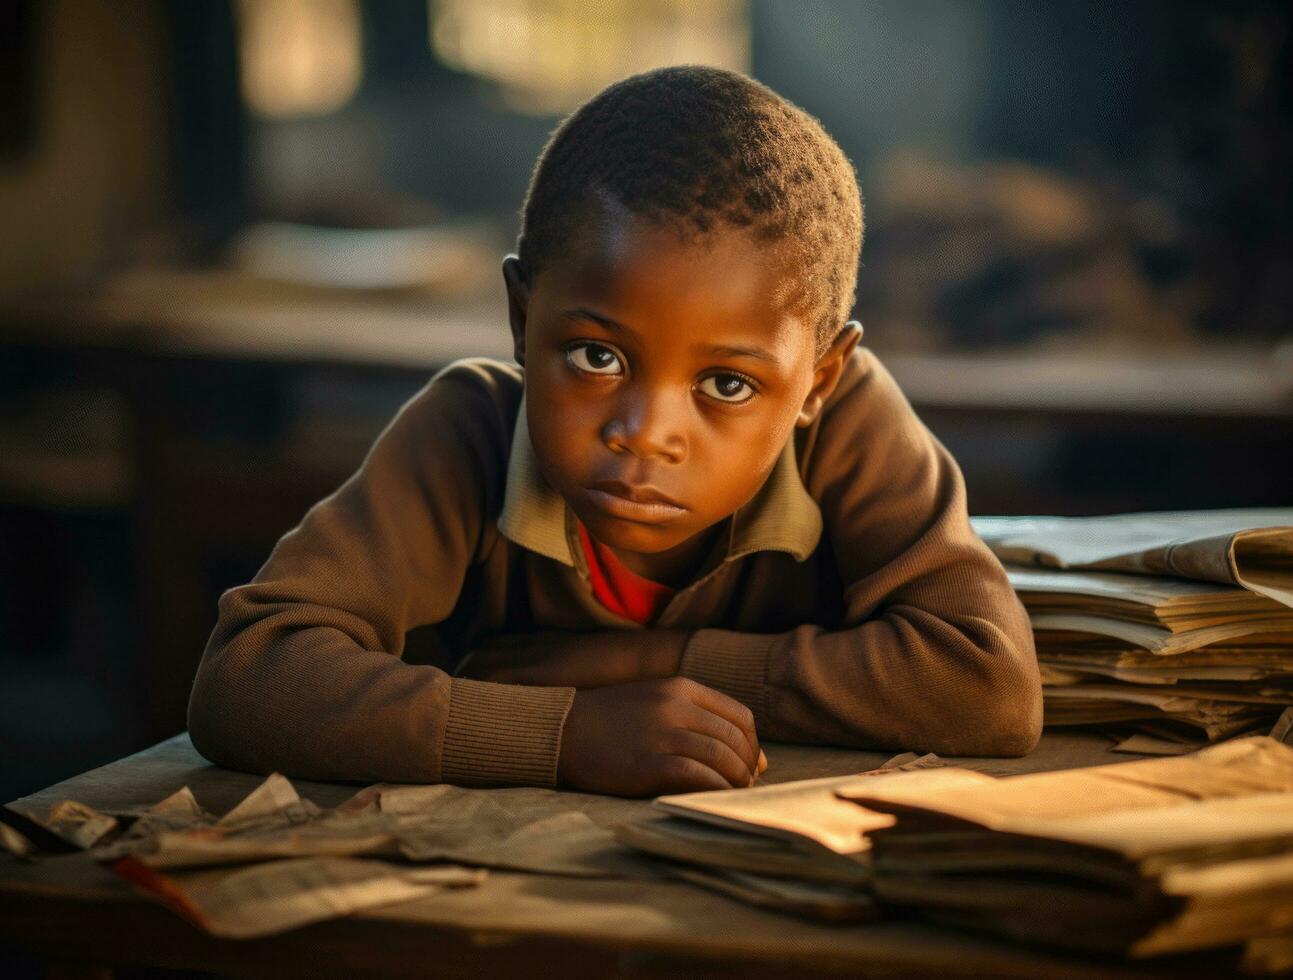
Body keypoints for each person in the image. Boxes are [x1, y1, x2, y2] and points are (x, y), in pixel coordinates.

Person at [188, 66, 1041, 797]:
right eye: (596, 357)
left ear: (817, 379)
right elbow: (247, 681)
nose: (644, 434)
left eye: (726, 383)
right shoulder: (471, 434)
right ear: (522, 320)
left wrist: (649, 663)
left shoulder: (844, 427)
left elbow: (986, 687)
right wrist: (561, 735)